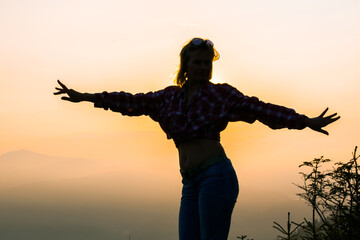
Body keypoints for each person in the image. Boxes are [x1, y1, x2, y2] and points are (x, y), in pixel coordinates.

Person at [54, 37, 340, 240]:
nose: (203, 67)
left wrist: (304, 121)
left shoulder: (221, 95)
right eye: (198, 62)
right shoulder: (168, 98)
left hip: (216, 176)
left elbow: (260, 109)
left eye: (207, 63)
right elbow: (130, 101)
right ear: (186, 66)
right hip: (189, 182)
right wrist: (87, 97)